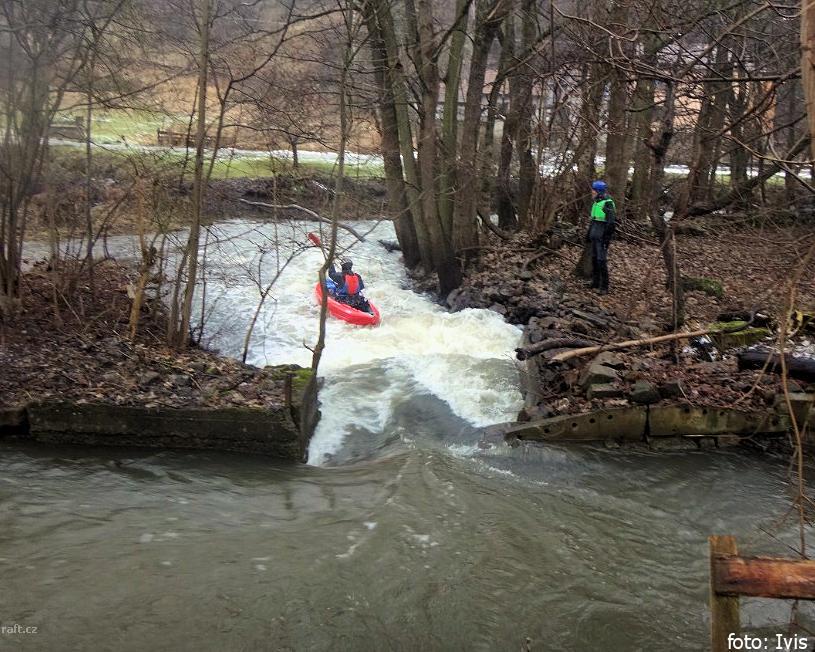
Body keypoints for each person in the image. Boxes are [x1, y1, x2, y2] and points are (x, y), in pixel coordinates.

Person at [586, 179, 616, 295]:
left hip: (602, 237)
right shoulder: (596, 202)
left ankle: (604, 286)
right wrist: (588, 234)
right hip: (595, 235)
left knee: (601, 261)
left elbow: (611, 223)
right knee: (594, 259)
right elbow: (593, 221)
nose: (592, 192)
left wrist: (606, 238)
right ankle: (595, 282)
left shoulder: (608, 203)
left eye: (593, 190)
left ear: (599, 191)